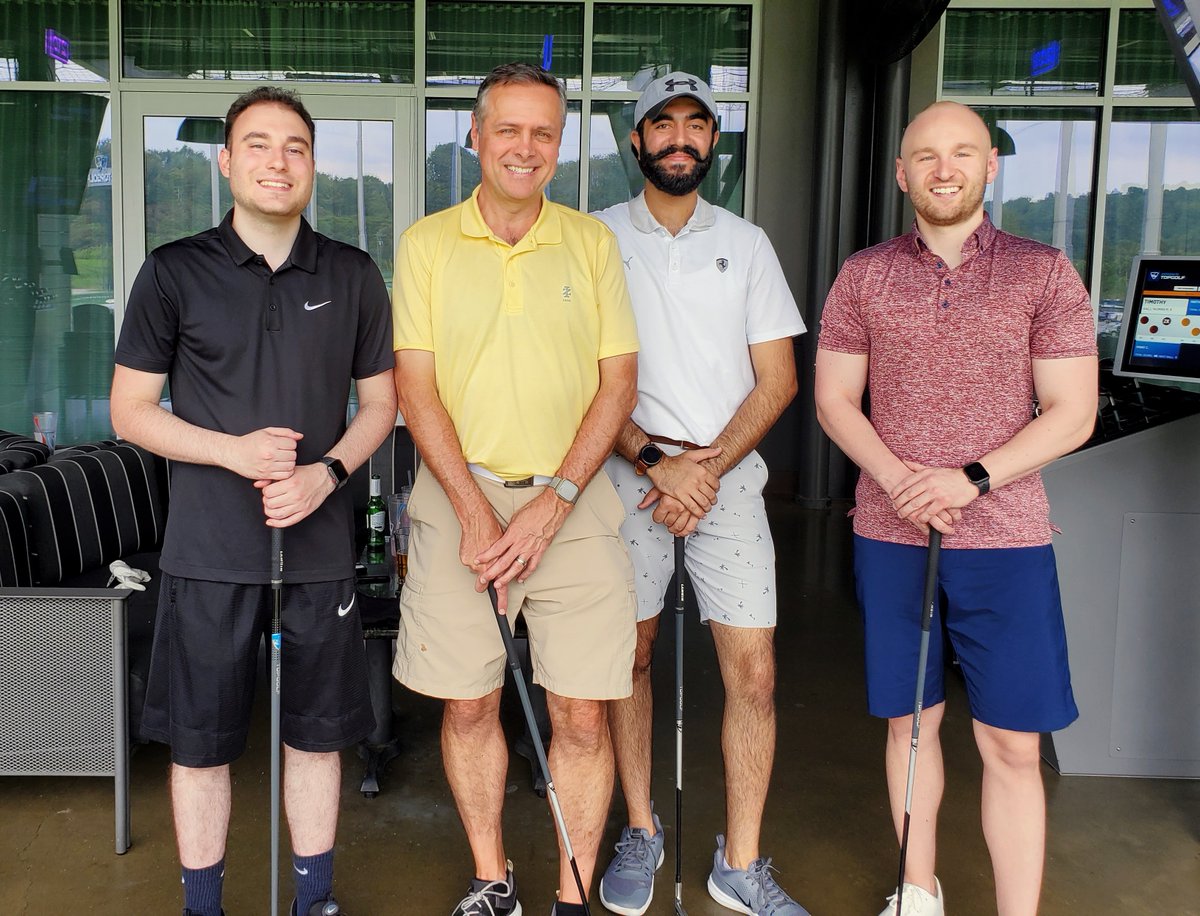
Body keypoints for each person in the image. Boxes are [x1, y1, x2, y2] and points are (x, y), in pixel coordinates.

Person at [111, 86, 397, 916]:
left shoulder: (351, 273)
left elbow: (380, 405)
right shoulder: (173, 270)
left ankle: (315, 902)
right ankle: (205, 907)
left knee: (316, 741)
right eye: (260, 145)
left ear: (314, 166)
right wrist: (231, 453)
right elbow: (132, 410)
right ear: (228, 162)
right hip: (207, 553)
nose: (280, 161)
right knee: (200, 750)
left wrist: (328, 475)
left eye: (297, 147)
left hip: (317, 554)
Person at [814, 101, 1098, 916]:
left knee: (1012, 742)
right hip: (891, 536)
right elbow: (836, 399)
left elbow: (1071, 412)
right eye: (926, 155)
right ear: (902, 174)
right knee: (910, 726)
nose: (945, 168)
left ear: (990, 166)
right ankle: (916, 887)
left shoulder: (1043, 272)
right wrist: (906, 482)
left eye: (963, 152)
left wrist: (968, 479)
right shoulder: (864, 273)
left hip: (1006, 538)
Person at [391, 62, 640, 916]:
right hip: (459, 498)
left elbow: (618, 386)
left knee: (580, 714)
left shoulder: (592, 243)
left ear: (559, 144)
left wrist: (555, 500)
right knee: (468, 706)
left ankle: (572, 895)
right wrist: (469, 507)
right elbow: (415, 390)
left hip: (570, 503)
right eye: (508, 129)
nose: (524, 147)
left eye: (543, 132)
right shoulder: (426, 244)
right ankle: (492, 880)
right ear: (474, 136)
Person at [592, 72, 809, 916]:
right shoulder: (596, 238)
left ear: (712, 141)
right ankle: (641, 829)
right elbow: (585, 380)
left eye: (695, 125)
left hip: (727, 483)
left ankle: (740, 861)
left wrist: (705, 469)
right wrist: (658, 462)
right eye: (662, 124)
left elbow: (779, 379)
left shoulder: (748, 243)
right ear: (636, 139)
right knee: (630, 659)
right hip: (628, 479)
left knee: (752, 674)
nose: (679, 138)